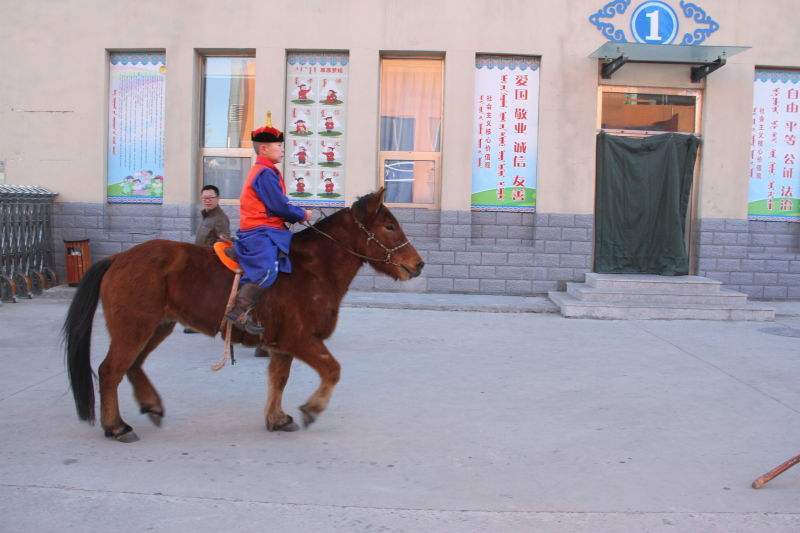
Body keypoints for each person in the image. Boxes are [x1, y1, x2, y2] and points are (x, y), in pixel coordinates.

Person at [225, 122, 312, 336]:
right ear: (264, 148)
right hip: (259, 232)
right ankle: (238, 312)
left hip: (268, 229)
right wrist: (302, 214)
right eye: (278, 145)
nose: (282, 149)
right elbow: (278, 205)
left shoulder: (267, 171)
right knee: (267, 271)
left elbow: (278, 205)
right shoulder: (264, 173)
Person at [185, 185, 231, 334]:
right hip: (200, 262)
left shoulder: (220, 219)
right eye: (205, 198)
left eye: (211, 198)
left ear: (218, 199)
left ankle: (201, 324)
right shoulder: (207, 216)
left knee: (202, 295)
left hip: (210, 264)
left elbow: (225, 243)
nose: (207, 200)